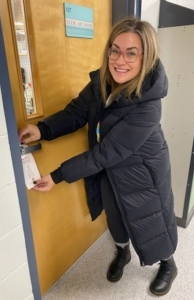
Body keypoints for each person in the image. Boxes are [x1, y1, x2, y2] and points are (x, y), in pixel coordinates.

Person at [19, 16, 178, 296]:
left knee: (152, 218)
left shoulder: (149, 106)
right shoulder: (101, 83)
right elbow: (76, 112)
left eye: (131, 53)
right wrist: (42, 130)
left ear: (146, 57)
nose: (120, 60)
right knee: (115, 216)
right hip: (110, 169)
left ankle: (168, 264)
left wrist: (57, 176)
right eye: (114, 49)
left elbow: (105, 153)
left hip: (144, 169)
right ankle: (122, 253)